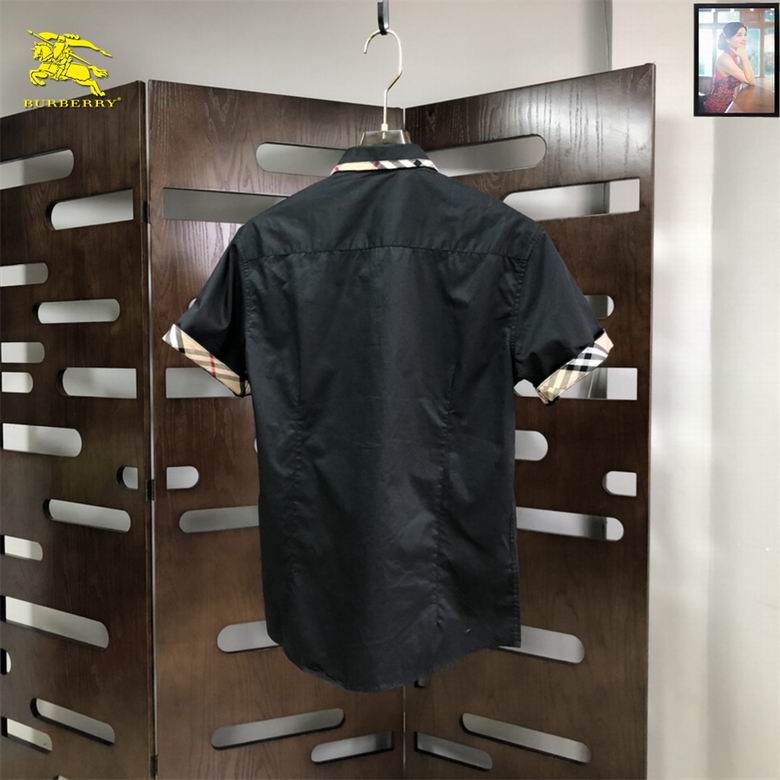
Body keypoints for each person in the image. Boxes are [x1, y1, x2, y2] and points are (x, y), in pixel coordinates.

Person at [703, 22, 756, 113]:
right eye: (739, 35)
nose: (744, 38)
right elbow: (751, 81)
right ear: (728, 39)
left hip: (730, 104)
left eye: (745, 35)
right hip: (718, 107)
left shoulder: (735, 56)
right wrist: (744, 57)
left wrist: (742, 56)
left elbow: (748, 77)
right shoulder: (725, 58)